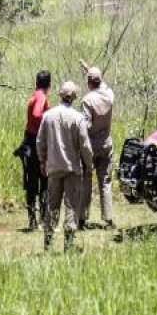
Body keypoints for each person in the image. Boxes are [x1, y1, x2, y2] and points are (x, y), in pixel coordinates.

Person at [37, 81, 93, 252]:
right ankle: (68, 246)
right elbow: (85, 146)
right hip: (72, 170)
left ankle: (48, 243)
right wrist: (89, 166)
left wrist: (42, 161)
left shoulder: (48, 116)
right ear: (74, 97)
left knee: (52, 206)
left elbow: (40, 142)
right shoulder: (78, 118)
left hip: (53, 168)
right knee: (71, 206)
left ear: (60, 95)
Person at [78, 60, 115, 230]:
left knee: (86, 180)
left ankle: (82, 218)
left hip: (91, 146)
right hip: (106, 144)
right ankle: (107, 219)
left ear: (88, 83)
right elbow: (104, 85)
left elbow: (85, 126)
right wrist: (89, 69)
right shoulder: (109, 95)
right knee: (105, 181)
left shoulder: (87, 100)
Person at [23, 70, 51, 231]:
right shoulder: (41, 96)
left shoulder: (34, 94)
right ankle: (42, 220)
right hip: (37, 141)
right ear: (49, 85)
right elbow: (37, 114)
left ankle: (32, 220)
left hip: (29, 139)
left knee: (31, 181)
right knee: (44, 180)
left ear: (36, 82)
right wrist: (46, 126)